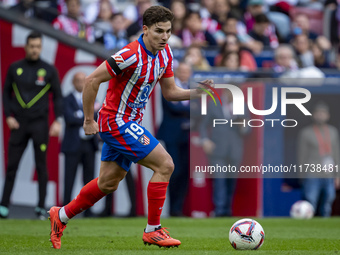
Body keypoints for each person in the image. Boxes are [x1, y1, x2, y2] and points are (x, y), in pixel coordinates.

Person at [48, 6, 212, 249]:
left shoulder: (165, 53)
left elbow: (169, 92)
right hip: (116, 121)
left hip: (129, 123)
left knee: (107, 183)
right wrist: (89, 120)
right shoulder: (129, 54)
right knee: (165, 164)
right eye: (159, 31)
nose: (165, 36)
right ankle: (153, 230)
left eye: (168, 31)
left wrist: (196, 93)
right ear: (145, 30)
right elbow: (93, 80)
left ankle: (60, 216)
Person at [0, 31, 63, 219]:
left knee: (41, 166)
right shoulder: (15, 68)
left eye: (38, 46)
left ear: (41, 47)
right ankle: (3, 206)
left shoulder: (49, 70)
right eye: (31, 46)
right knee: (12, 165)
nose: (35, 50)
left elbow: (58, 97)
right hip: (19, 124)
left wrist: (58, 120)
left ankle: (41, 207)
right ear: (26, 47)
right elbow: (5, 93)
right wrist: (8, 116)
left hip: (39, 125)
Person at [199, 89, 250, 217]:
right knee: (219, 179)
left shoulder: (242, 106)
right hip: (218, 149)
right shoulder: (213, 104)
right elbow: (203, 125)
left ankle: (228, 210)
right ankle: (219, 210)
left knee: (231, 181)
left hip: (235, 149)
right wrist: (205, 140)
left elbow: (247, 129)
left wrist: (243, 126)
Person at [61, 72, 99, 213]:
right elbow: (69, 118)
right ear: (73, 82)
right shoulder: (67, 99)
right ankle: (65, 210)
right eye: (78, 81)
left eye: (84, 80)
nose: (81, 83)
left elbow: (97, 116)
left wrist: (80, 115)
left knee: (89, 181)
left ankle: (88, 211)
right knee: (69, 179)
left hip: (89, 145)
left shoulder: (92, 98)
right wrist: (86, 117)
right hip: (73, 145)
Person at [157, 62, 191, 217]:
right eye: (182, 71)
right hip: (171, 135)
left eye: (187, 71)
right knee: (173, 171)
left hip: (187, 136)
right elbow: (173, 106)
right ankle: (170, 208)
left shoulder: (189, 86)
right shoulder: (169, 86)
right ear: (177, 72)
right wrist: (190, 109)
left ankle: (178, 208)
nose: (184, 74)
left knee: (184, 172)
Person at [298, 102, 340, 217]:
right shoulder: (306, 132)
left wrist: (337, 174)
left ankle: (324, 227)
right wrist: (301, 174)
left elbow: (336, 154)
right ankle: (308, 225)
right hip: (312, 173)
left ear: (328, 115)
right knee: (311, 201)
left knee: (328, 202)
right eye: (318, 113)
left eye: (323, 113)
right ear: (313, 115)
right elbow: (302, 155)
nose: (320, 115)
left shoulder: (333, 132)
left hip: (329, 173)